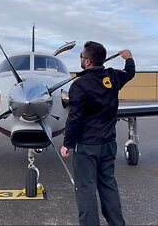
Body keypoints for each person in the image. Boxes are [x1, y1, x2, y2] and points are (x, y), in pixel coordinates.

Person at [61, 41, 135, 226]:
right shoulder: (113, 76)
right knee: (108, 185)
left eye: (81, 57)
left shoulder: (79, 85)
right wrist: (129, 58)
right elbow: (130, 73)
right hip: (108, 144)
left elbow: (74, 118)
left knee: (85, 189)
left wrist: (67, 143)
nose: (80, 59)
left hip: (86, 147)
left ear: (87, 62)